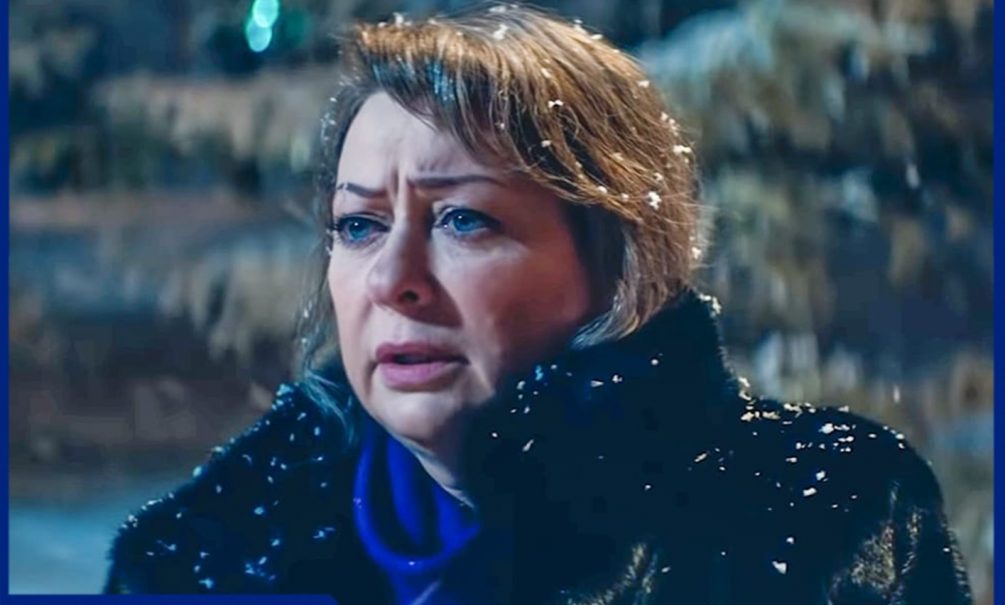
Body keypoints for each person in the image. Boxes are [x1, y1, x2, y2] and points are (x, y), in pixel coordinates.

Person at [103, 5, 972, 604]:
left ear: (615, 255)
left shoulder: (824, 520)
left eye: (463, 219)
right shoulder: (198, 561)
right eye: (359, 225)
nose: (391, 278)